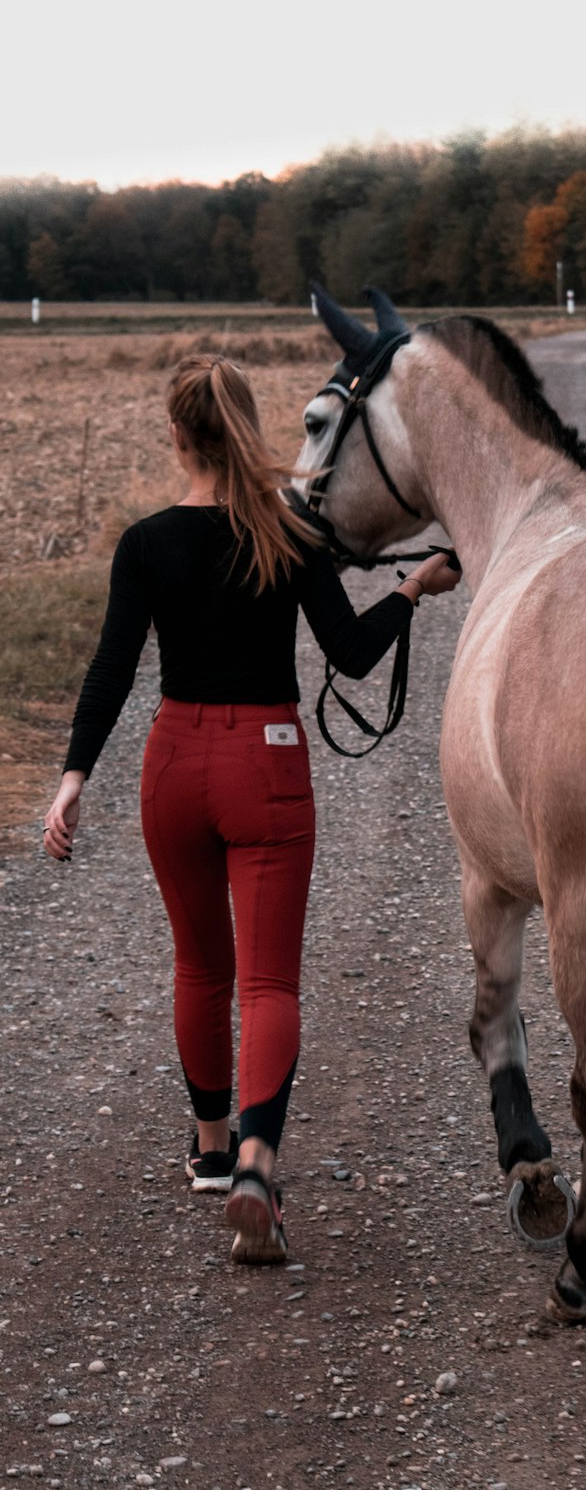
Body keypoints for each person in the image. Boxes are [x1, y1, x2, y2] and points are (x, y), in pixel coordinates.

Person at [43, 354, 460, 1264]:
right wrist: (410, 590)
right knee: (269, 983)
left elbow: (114, 667)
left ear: (175, 436)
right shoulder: (288, 533)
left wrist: (75, 775)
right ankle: (259, 1163)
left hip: (173, 764)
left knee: (201, 969)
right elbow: (349, 656)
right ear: (248, 428)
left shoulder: (145, 542)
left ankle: (208, 1149)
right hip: (265, 765)